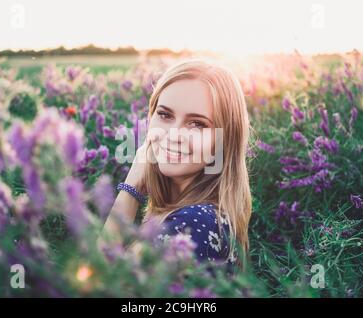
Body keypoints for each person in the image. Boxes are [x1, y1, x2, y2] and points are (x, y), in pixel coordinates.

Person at [102, 59, 253, 273]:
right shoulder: (204, 214)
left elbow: (93, 283)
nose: (173, 136)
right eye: (165, 115)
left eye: (197, 123)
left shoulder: (192, 223)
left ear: (224, 140)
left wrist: (131, 187)